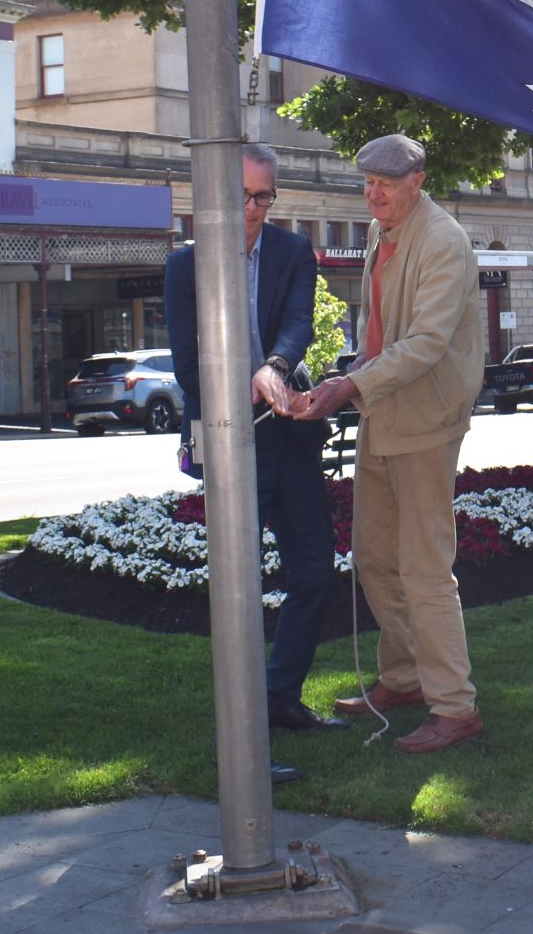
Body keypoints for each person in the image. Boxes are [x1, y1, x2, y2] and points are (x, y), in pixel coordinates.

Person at [295, 134, 487, 754]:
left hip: (426, 421)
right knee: (374, 556)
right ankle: (403, 680)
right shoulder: (383, 233)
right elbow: (380, 331)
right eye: (367, 181)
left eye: (386, 180)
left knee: (425, 567)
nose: (373, 191)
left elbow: (428, 342)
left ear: (417, 180)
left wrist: (351, 383)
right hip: (383, 411)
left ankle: (455, 707)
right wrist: (350, 376)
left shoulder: (444, 242)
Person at [165, 142, 345, 786]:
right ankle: (243, 740)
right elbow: (188, 366)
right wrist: (244, 386)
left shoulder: (293, 253)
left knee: (314, 571)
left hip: (287, 436)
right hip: (226, 437)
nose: (251, 208)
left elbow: (298, 325)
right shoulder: (185, 267)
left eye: (263, 196)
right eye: (241, 195)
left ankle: (278, 700)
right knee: (237, 592)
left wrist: (272, 369)